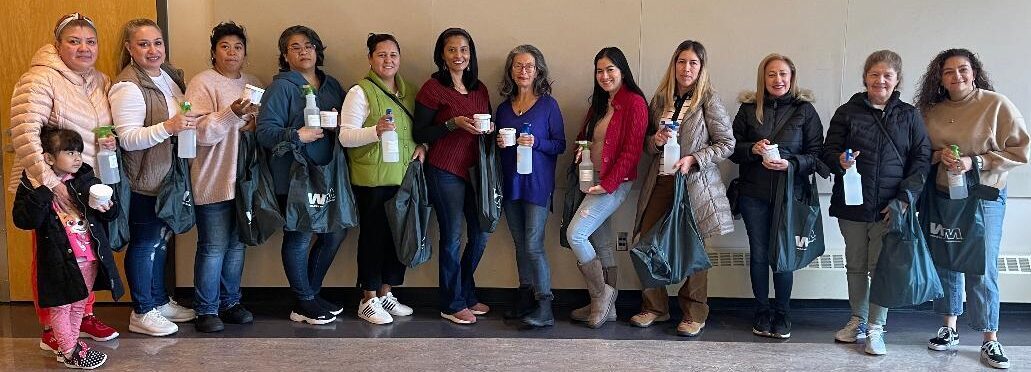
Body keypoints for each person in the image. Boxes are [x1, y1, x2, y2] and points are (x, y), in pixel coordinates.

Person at [8, 11, 120, 351]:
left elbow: (100, 128)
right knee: (52, 257)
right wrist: (49, 183)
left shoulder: (100, 80)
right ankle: (50, 328)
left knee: (84, 253)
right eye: (74, 41)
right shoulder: (39, 79)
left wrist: (109, 143)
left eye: (90, 41)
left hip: (84, 184)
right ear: (58, 45)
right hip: (49, 186)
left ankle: (81, 316)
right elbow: (25, 134)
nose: (84, 48)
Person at [916, 48, 1029, 369]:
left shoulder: (996, 104)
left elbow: (1021, 150)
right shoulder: (930, 111)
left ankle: (989, 338)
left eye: (962, 69)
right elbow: (919, 150)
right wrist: (939, 157)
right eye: (948, 71)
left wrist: (975, 161)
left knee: (982, 265)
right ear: (939, 77)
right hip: (942, 194)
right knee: (946, 260)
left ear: (974, 71)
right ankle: (948, 328)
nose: (956, 76)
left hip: (984, 195)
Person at [823, 50, 930, 355]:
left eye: (887, 75)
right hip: (852, 205)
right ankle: (856, 319)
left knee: (879, 267)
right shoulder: (847, 112)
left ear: (897, 80)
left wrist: (904, 200)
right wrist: (839, 161)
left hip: (889, 208)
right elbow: (828, 151)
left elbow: (921, 161)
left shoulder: (909, 115)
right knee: (855, 265)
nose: (880, 80)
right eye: (874, 74)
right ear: (865, 78)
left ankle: (876, 329)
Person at [630, 40, 734, 337]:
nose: (686, 68)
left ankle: (694, 312)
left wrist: (695, 158)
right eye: (681, 62)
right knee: (644, 240)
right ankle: (655, 307)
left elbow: (727, 144)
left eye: (693, 63)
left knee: (693, 249)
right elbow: (647, 144)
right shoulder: (661, 99)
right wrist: (656, 141)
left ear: (701, 68)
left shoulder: (709, 100)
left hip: (694, 184)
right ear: (673, 64)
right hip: (661, 181)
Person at [109, 18, 198, 337]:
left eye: (157, 42)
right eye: (143, 44)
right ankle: (143, 310)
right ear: (130, 48)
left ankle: (159, 301)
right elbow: (128, 138)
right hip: (143, 179)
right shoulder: (127, 86)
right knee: (146, 243)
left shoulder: (170, 76)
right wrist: (169, 128)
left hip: (169, 178)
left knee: (162, 241)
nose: (153, 50)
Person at [256, 25, 347, 325]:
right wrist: (296, 134)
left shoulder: (331, 85)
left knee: (335, 231)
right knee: (300, 235)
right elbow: (265, 133)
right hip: (292, 176)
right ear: (285, 55)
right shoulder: (281, 87)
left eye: (308, 45)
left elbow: (348, 124)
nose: (303, 51)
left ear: (317, 50)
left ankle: (308, 295)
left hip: (327, 173)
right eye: (295, 47)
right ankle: (304, 300)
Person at [730, 53, 825, 340]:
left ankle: (782, 313)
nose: (778, 80)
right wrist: (752, 150)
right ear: (763, 78)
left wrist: (792, 164)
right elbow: (731, 149)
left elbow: (817, 156)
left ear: (792, 77)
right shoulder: (748, 109)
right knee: (759, 255)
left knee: (783, 255)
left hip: (790, 196)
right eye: (771, 74)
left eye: (783, 74)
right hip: (753, 194)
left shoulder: (805, 110)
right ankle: (761, 311)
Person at [13, 128, 122, 369]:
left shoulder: (86, 178)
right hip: (59, 259)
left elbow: (111, 214)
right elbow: (23, 220)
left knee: (79, 303)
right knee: (62, 306)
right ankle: (71, 350)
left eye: (79, 152)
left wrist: (108, 206)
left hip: (89, 257)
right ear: (49, 158)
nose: (77, 158)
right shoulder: (32, 183)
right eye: (70, 152)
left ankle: (68, 347)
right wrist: (44, 189)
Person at [338, 33, 424, 325]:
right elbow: (346, 136)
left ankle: (386, 292)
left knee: (396, 239)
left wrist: (422, 147)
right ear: (371, 59)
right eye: (381, 55)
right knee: (373, 239)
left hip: (402, 179)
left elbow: (419, 131)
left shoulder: (410, 91)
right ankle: (368, 298)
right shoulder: (359, 92)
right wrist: (374, 130)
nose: (388, 60)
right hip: (371, 180)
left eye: (393, 55)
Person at [412, 28, 493, 324]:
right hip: (445, 170)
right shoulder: (432, 88)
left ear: (471, 54)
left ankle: (465, 290)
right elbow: (419, 132)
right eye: (452, 50)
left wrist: (492, 132)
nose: (459, 56)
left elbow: (487, 123)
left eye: (464, 50)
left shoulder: (480, 88)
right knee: (452, 238)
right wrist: (451, 124)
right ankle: (451, 302)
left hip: (476, 173)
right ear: (441, 55)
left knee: (482, 233)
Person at [185, 21, 261, 333]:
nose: (232, 52)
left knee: (236, 245)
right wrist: (232, 114)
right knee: (213, 246)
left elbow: (258, 128)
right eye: (225, 46)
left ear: (245, 53)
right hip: (213, 178)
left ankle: (231, 301)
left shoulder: (254, 83)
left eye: (238, 47)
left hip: (244, 181)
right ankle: (206, 308)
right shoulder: (203, 82)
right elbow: (199, 133)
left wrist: (253, 124)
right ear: (214, 51)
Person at [566, 47, 648, 329]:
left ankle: (603, 295)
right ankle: (606, 307)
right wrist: (581, 149)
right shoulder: (599, 104)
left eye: (610, 69)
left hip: (614, 183)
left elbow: (631, 152)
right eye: (599, 71)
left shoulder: (635, 103)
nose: (604, 76)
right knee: (600, 242)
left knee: (576, 235)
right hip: (591, 178)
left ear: (622, 71)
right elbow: (584, 137)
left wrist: (609, 184)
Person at [493, 44, 565, 327]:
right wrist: (499, 143)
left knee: (534, 245)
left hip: (537, 184)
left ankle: (545, 305)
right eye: (518, 66)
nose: (523, 71)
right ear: (510, 71)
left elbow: (559, 144)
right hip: (511, 182)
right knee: (520, 244)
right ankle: (525, 298)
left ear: (538, 72)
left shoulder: (549, 105)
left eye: (529, 67)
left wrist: (537, 143)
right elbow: (498, 148)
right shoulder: (502, 108)